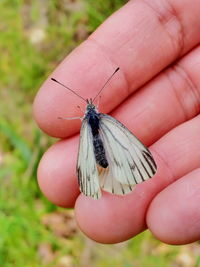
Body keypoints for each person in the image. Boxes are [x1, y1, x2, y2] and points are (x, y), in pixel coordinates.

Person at [33, 0, 200, 244]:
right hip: (105, 140)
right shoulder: (105, 120)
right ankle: (104, 177)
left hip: (96, 145)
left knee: (92, 152)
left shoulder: (93, 120)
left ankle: (106, 176)